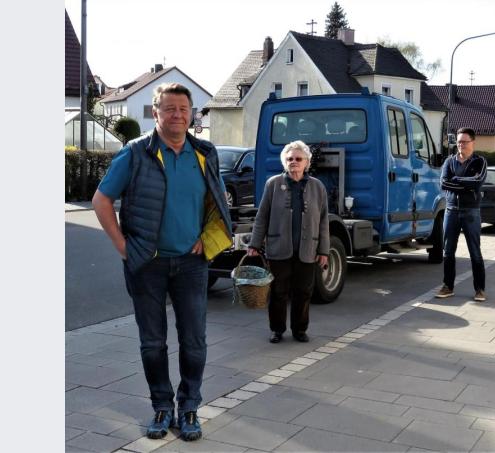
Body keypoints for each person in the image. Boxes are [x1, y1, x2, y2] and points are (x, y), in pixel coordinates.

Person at [92, 83, 233, 442]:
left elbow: (217, 202)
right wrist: (123, 247)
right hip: (148, 265)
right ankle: (161, 407)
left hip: (191, 263)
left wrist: (210, 237)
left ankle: (189, 409)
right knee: (152, 343)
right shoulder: (135, 153)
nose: (177, 115)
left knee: (194, 342)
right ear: (156, 113)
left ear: (191, 114)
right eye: (169, 108)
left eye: (184, 109)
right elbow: (101, 200)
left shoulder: (204, 152)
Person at [247, 140, 329, 344]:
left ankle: (300, 330)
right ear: (284, 162)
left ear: (306, 162)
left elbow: (323, 220)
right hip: (278, 249)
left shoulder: (317, 186)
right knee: (278, 292)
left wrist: (324, 250)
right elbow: (262, 216)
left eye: (298, 159)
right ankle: (277, 329)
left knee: (303, 292)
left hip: (307, 249)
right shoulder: (273, 184)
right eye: (290, 159)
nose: (294, 162)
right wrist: (254, 244)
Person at [435, 127, 488, 301]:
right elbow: (443, 183)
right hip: (451, 211)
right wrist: (464, 183)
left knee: (475, 252)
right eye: (458, 142)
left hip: (471, 211)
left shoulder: (480, 162)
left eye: (464, 142)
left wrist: (456, 180)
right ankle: (447, 286)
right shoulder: (449, 162)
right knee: (448, 251)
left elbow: (477, 182)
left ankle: (479, 289)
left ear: (473, 142)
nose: (461, 145)